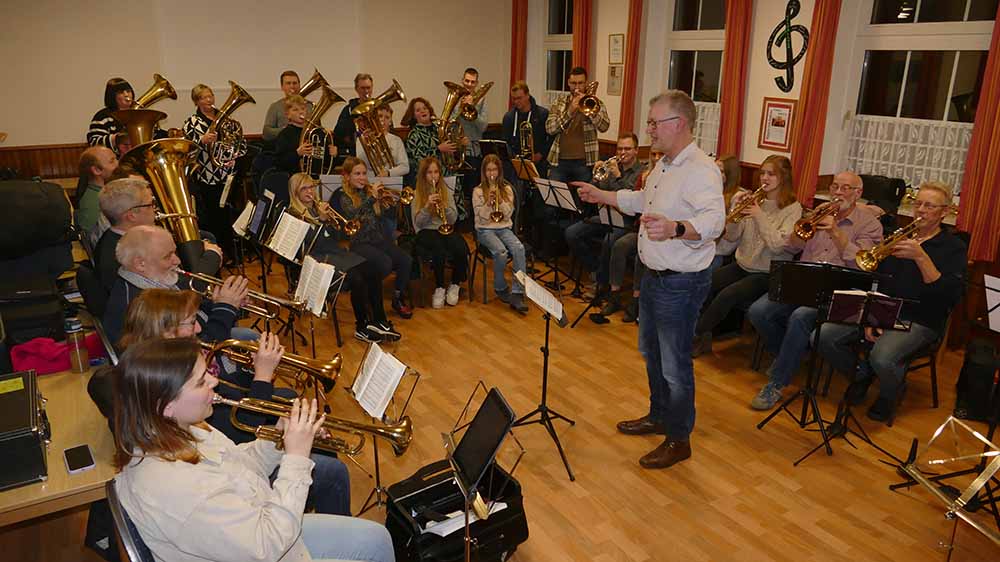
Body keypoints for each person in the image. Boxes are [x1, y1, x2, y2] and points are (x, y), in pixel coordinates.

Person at [112, 337, 394, 562]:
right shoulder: (178, 488)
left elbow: (240, 462)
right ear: (166, 405)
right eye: (201, 381)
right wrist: (296, 458)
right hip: (269, 540)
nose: (214, 380)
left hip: (262, 519)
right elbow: (267, 545)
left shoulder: (181, 428)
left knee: (377, 539)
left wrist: (281, 439)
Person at [105, 290, 353, 517]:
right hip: (256, 501)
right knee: (333, 473)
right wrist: (263, 376)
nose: (200, 328)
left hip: (243, 472)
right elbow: (241, 431)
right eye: (191, 323)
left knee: (294, 406)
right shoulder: (181, 407)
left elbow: (237, 448)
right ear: (167, 333)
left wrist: (280, 434)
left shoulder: (173, 394)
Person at [576, 90, 725, 469]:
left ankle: (679, 439)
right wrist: (603, 196)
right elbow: (644, 200)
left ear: (678, 124)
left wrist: (675, 228)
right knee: (651, 354)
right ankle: (659, 416)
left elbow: (714, 223)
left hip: (680, 283)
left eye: (655, 122)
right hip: (655, 277)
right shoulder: (664, 165)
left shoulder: (702, 170)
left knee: (675, 366)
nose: (649, 129)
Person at [817, 181, 967, 423]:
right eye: (918, 204)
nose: (921, 210)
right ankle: (860, 375)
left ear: (944, 212)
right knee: (824, 335)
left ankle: (891, 393)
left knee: (882, 357)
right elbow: (880, 280)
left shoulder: (953, 248)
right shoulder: (897, 237)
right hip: (884, 308)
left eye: (930, 206)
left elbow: (949, 295)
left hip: (921, 318)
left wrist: (920, 257)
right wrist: (872, 315)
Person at [747, 171, 883, 410]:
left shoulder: (870, 224)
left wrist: (835, 232)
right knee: (758, 311)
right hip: (804, 282)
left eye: (845, 188)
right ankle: (789, 355)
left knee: (800, 317)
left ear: (858, 193)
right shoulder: (819, 214)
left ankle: (777, 383)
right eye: (835, 187)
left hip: (839, 291)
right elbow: (792, 246)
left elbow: (862, 264)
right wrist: (800, 232)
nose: (838, 193)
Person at [691, 155, 803, 357]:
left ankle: (693, 335)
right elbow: (733, 236)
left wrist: (759, 216)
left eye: (771, 174)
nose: (764, 178)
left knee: (728, 294)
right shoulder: (754, 200)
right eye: (762, 173)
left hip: (769, 272)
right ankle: (704, 339)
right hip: (743, 264)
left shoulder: (792, 208)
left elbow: (778, 246)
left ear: (784, 178)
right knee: (704, 283)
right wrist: (735, 215)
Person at [288, 172, 402, 341]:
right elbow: (307, 245)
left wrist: (329, 221)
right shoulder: (294, 214)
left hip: (336, 253)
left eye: (311, 187)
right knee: (356, 278)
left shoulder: (317, 206)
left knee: (373, 269)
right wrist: (322, 220)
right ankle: (362, 326)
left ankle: (380, 320)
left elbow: (337, 236)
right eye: (303, 188)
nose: (309, 192)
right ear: (295, 192)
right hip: (317, 260)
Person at [103, 225, 247, 345]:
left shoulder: (155, 281)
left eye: (174, 252)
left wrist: (218, 303)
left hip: (209, 334)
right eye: (167, 256)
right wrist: (226, 309)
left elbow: (191, 313)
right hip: (191, 365)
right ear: (140, 264)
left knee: (251, 337)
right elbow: (196, 348)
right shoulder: (140, 304)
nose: (177, 260)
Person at [94, 178, 223, 293]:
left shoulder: (117, 238)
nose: (156, 209)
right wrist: (212, 256)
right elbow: (180, 290)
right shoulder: (120, 254)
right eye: (150, 205)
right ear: (131, 215)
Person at [564, 132, 643, 296]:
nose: (622, 152)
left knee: (609, 240)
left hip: (626, 221)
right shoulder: (613, 166)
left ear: (636, 150)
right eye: (620, 148)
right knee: (572, 233)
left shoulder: (641, 172)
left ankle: (602, 284)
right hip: (605, 215)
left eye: (627, 149)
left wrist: (617, 176)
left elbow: (627, 196)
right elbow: (596, 190)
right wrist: (596, 175)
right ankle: (596, 270)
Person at [336, 158, 414, 320]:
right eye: (357, 174)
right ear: (347, 176)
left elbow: (380, 217)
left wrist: (387, 204)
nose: (362, 177)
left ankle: (397, 298)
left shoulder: (367, 191)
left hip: (378, 239)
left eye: (364, 173)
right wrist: (372, 199)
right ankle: (369, 298)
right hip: (359, 243)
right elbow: (354, 216)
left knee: (405, 260)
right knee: (384, 264)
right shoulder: (343, 196)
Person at [183, 84, 248, 259]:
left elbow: (240, 143)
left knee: (230, 215)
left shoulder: (226, 119)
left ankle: (232, 253)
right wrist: (202, 140)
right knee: (214, 217)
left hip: (228, 175)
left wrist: (235, 154)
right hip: (208, 177)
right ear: (196, 101)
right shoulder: (192, 122)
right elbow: (188, 148)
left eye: (210, 96)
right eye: (204, 97)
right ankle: (217, 252)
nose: (209, 100)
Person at [472, 154, 528, 313]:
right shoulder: (477, 191)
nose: (492, 173)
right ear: (484, 171)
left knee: (519, 248)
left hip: (504, 227)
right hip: (485, 230)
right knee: (501, 252)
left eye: (494, 169)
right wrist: (488, 203)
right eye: (488, 170)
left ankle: (517, 292)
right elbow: (480, 218)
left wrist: (500, 200)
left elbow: (508, 214)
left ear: (499, 171)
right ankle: (500, 286)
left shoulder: (507, 189)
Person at [411, 156, 469, 309]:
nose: (433, 176)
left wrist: (445, 206)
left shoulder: (446, 191)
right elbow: (417, 223)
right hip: (425, 231)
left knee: (461, 247)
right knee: (439, 248)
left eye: (436, 172)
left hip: (444, 228)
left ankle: (455, 283)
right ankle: (439, 287)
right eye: (429, 172)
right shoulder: (417, 193)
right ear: (424, 175)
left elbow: (453, 219)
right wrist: (427, 207)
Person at [544, 67, 610, 186]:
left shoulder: (595, 102)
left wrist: (591, 112)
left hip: (585, 162)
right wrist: (569, 111)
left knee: (584, 200)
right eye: (574, 83)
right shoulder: (559, 102)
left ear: (586, 83)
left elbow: (604, 127)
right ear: (568, 83)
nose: (577, 87)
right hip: (559, 161)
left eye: (581, 83)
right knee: (556, 199)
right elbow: (550, 129)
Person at [274, 95, 337, 179]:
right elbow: (279, 163)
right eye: (295, 110)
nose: (301, 112)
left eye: (303, 108)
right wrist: (297, 153)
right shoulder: (285, 135)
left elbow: (326, 163)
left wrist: (333, 155)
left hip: (317, 178)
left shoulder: (317, 132)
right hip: (294, 179)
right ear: (288, 115)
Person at [502, 81, 551, 179]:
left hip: (537, 164)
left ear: (527, 95)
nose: (516, 102)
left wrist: (541, 154)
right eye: (514, 99)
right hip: (515, 165)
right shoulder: (509, 117)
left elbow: (550, 139)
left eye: (519, 98)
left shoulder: (543, 114)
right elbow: (506, 141)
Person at [401, 97, 452, 183]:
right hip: (428, 178)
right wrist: (438, 149)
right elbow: (420, 159)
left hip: (447, 173)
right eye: (418, 110)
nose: (422, 111)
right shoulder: (414, 134)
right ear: (413, 116)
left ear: (429, 111)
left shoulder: (439, 128)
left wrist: (458, 144)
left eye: (425, 108)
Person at [75, 146, 119, 242]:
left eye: (116, 158)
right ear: (96, 170)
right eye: (112, 161)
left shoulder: (103, 194)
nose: (118, 163)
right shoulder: (94, 203)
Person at [456, 68, 489, 194]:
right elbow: (450, 121)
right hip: (456, 152)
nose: (469, 84)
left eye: (472, 82)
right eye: (467, 81)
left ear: (476, 83)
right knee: (456, 192)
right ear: (462, 81)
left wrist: (472, 108)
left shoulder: (482, 101)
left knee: (471, 192)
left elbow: (483, 127)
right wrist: (460, 107)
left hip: (473, 153)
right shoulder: (455, 98)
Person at [711, 155, 746, 271]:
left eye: (720, 171)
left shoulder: (738, 196)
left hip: (720, 253)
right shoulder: (711, 191)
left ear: (730, 175)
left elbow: (731, 238)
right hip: (703, 248)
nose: (715, 174)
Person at [355, 104, 409, 178]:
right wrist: (367, 145)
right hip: (370, 180)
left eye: (387, 117)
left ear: (390, 122)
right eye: (380, 116)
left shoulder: (396, 140)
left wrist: (388, 173)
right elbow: (360, 163)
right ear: (374, 119)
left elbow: (405, 167)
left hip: (391, 180)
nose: (383, 119)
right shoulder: (363, 138)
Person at [262, 70, 316, 142]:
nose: (292, 86)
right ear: (282, 87)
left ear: (299, 85)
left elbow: (317, 129)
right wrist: (288, 130)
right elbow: (266, 133)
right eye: (288, 83)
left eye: (295, 83)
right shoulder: (275, 106)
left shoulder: (310, 106)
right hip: (283, 147)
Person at [334, 73, 375, 161]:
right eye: (363, 88)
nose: (366, 91)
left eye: (368, 88)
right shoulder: (348, 109)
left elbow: (388, 129)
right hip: (354, 152)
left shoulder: (377, 108)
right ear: (356, 89)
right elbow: (338, 133)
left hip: (375, 151)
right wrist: (354, 124)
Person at [87, 77, 134, 155]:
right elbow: (94, 143)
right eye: (121, 92)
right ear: (112, 96)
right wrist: (117, 138)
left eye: (128, 91)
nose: (126, 95)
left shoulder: (138, 113)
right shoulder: (102, 116)